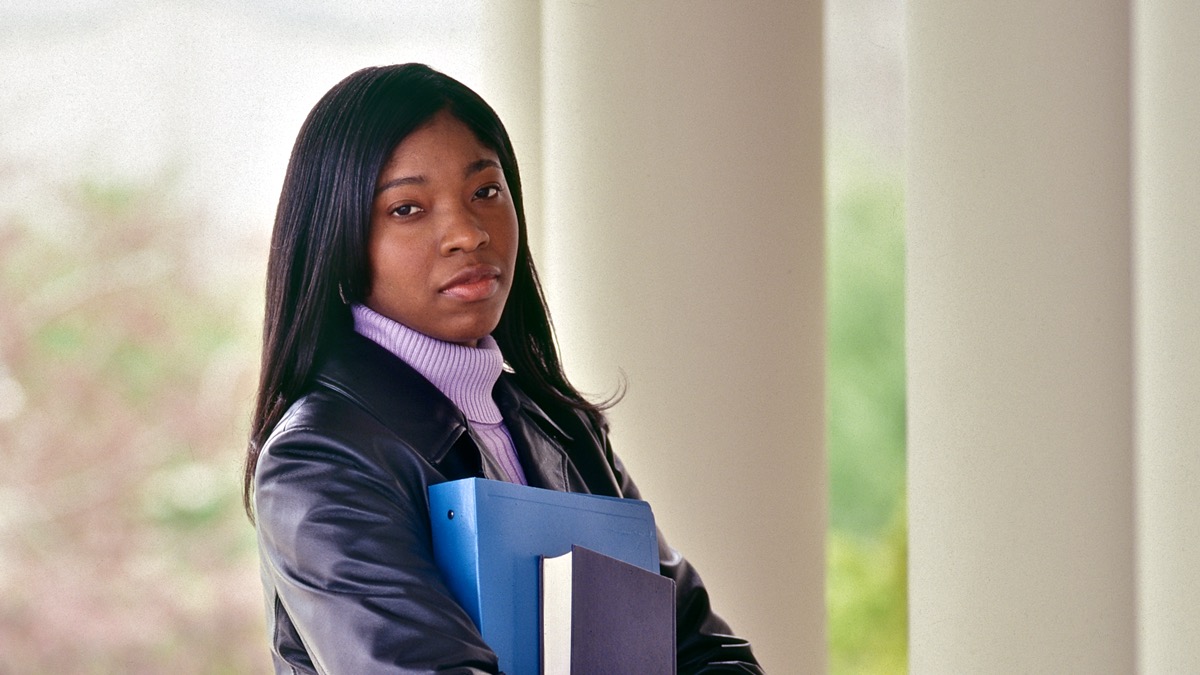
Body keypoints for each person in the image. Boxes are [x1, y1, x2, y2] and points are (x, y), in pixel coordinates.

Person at [244, 63, 763, 674]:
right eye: (407, 208)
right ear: (339, 236)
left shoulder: (562, 427)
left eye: (485, 192)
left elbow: (702, 652)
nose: (467, 234)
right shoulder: (320, 458)